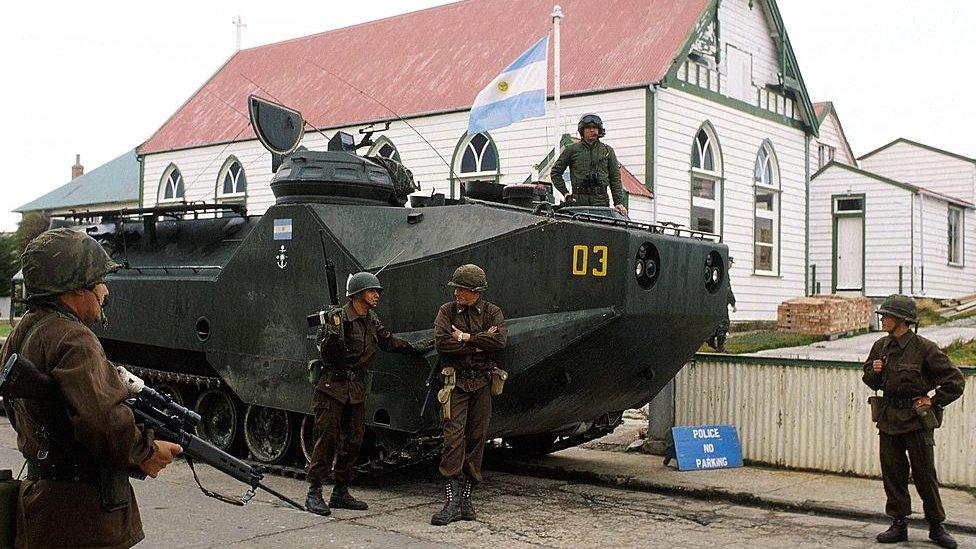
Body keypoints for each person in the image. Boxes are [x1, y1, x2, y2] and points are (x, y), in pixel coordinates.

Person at [0, 228, 182, 549]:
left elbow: (23, 414)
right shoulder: (74, 338)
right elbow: (103, 420)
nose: (104, 290)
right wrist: (146, 450)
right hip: (82, 520)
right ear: (76, 289)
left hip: (41, 510)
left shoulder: (23, 331)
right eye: (98, 281)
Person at [305, 271, 426, 516]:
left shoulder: (371, 319)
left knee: (354, 440)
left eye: (377, 292)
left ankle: (340, 491)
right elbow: (328, 356)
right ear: (359, 294)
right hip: (333, 388)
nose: (377, 295)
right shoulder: (339, 319)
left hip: (356, 390)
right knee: (327, 439)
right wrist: (332, 334)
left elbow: (387, 341)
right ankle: (314, 492)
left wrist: (417, 346)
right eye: (373, 291)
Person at [862, 294, 964, 548]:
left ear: (901, 320)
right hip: (888, 420)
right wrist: (873, 372)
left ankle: (936, 526)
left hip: (916, 422)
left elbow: (955, 381)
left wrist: (934, 401)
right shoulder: (880, 347)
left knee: (924, 475)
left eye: (886, 316)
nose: (882, 319)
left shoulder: (924, 348)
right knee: (893, 475)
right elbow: (870, 380)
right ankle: (898, 524)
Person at [430, 264, 507, 526]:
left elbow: (499, 342)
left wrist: (464, 337)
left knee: (477, 438)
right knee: (453, 438)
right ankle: (451, 500)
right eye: (456, 289)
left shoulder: (492, 312)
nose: (457, 293)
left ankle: (466, 497)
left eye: (462, 289)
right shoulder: (447, 311)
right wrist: (478, 342)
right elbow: (442, 343)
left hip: (482, 384)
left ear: (476, 292)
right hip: (456, 384)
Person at [550, 113, 628, 217]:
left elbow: (615, 178)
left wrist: (618, 202)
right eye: (589, 128)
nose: (592, 131)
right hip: (579, 203)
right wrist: (565, 192)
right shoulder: (572, 150)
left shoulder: (607, 151)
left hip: (601, 203)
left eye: (595, 128)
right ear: (582, 130)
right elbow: (555, 172)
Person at [708, 256, 737, 352]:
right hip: (721, 303)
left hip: (714, 302)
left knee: (716, 322)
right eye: (730, 263)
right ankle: (720, 346)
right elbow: (727, 290)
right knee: (724, 324)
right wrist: (733, 303)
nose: (731, 265)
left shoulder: (718, 271)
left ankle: (710, 339)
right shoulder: (724, 274)